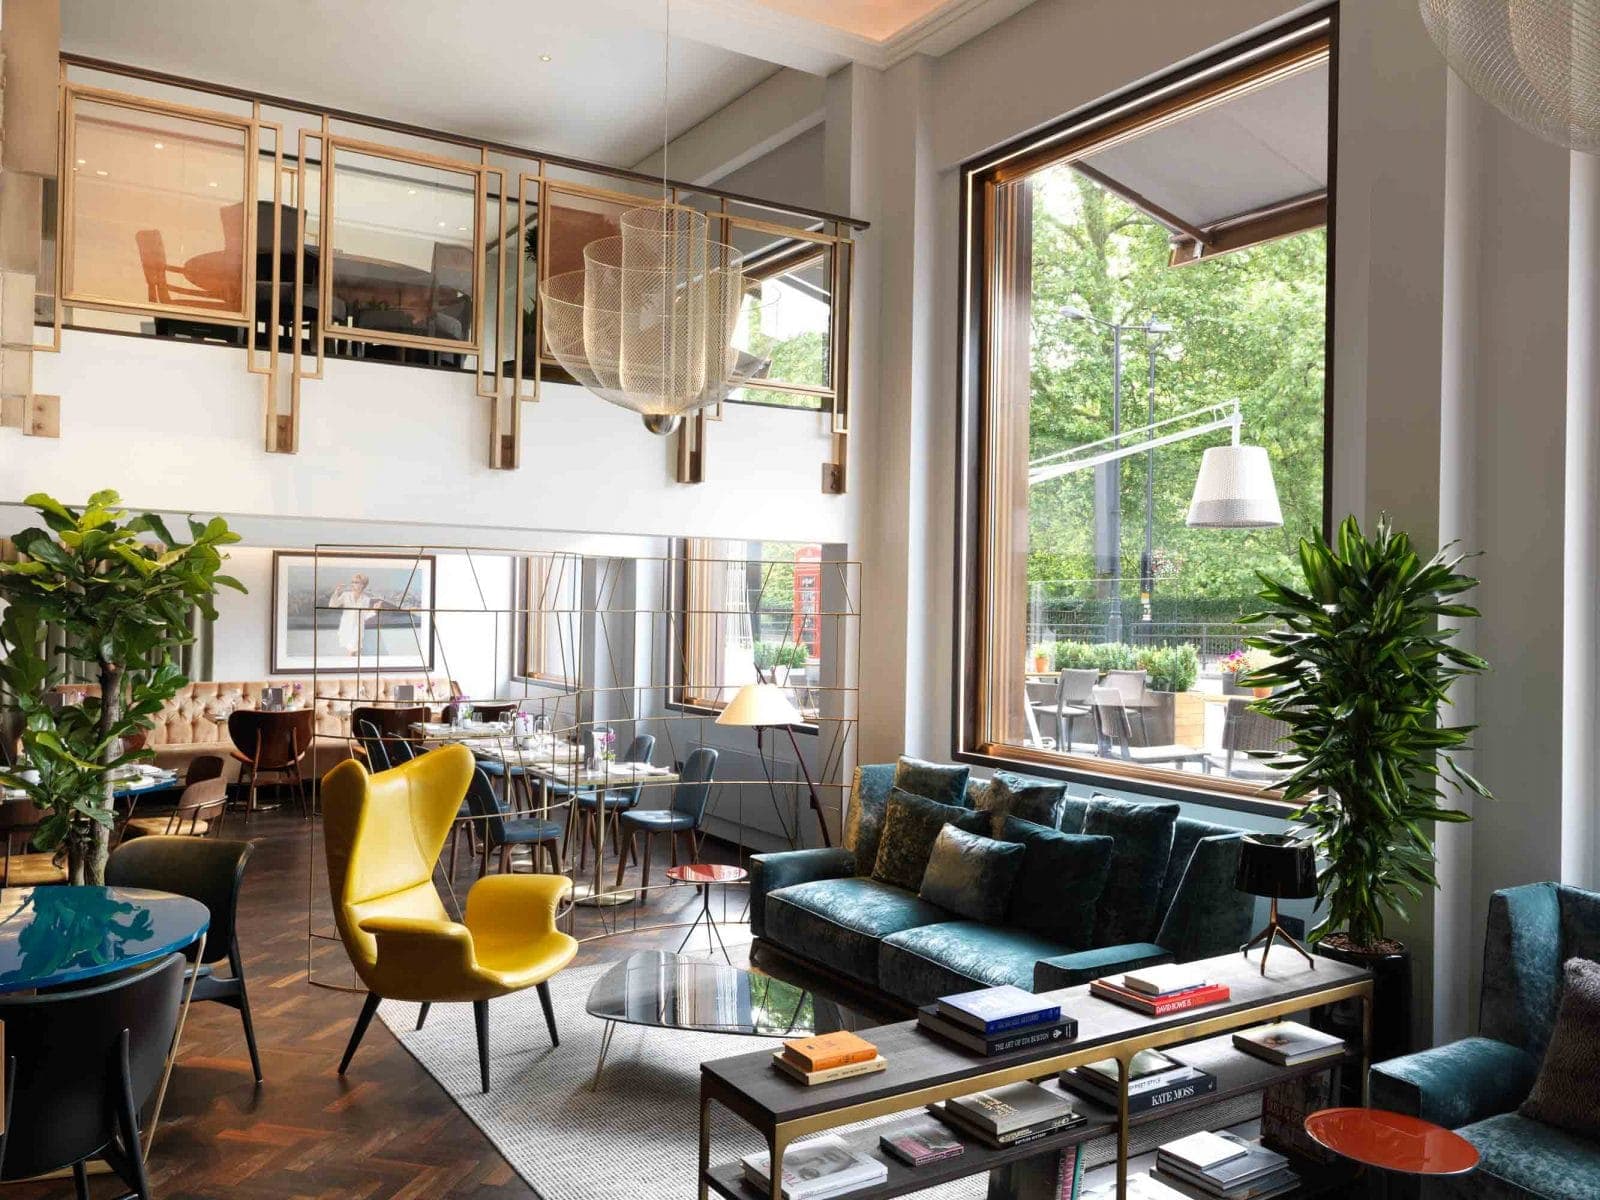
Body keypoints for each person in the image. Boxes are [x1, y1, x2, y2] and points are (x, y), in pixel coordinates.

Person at [329, 573, 377, 656]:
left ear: (363, 584)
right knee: (353, 652)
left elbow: (364, 616)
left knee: (354, 651)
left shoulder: (366, 599)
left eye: (357, 582)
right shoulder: (346, 595)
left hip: (357, 628)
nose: (354, 584)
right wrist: (336, 592)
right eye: (353, 582)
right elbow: (332, 605)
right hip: (347, 626)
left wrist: (374, 610)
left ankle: (351, 667)